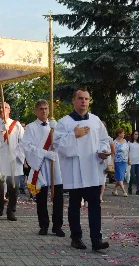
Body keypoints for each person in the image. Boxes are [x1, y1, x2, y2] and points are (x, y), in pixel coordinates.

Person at [54, 88, 110, 251]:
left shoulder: (95, 120)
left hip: (92, 170)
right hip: (75, 171)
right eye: (80, 98)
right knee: (74, 206)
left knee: (94, 205)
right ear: (74, 101)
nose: (84, 101)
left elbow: (104, 140)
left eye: (86, 99)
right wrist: (74, 135)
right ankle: (76, 237)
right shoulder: (65, 122)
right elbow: (57, 145)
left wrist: (103, 152)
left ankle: (96, 240)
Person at [22, 99, 65, 237]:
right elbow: (27, 146)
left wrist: (57, 132)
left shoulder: (55, 125)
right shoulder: (30, 127)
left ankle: (57, 226)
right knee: (41, 198)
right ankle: (44, 225)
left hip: (55, 165)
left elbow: (62, 143)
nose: (44, 111)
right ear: (36, 111)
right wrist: (45, 153)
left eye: (46, 108)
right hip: (40, 165)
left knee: (58, 197)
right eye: (41, 108)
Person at [0, 102, 25, 221]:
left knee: (14, 188)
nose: (1, 110)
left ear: (9, 110)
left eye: (4, 107)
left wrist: (16, 154)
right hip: (0, 160)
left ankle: (11, 211)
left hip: (13, 161)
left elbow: (24, 142)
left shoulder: (16, 125)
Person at [100, 121, 115, 202]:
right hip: (96, 160)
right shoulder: (94, 138)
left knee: (103, 179)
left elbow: (113, 151)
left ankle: (100, 196)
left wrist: (112, 162)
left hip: (106, 160)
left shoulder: (109, 138)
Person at [112, 128, 129, 197]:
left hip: (124, 161)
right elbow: (113, 153)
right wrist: (112, 162)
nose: (124, 134)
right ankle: (124, 191)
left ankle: (115, 190)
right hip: (118, 161)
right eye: (122, 133)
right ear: (119, 134)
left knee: (120, 177)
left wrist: (129, 159)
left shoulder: (125, 141)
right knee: (120, 177)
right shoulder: (114, 142)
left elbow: (127, 151)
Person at [128, 130, 139, 195]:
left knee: (138, 176)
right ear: (133, 135)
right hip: (132, 162)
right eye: (135, 134)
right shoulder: (129, 143)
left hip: (138, 162)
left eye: (137, 134)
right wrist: (128, 160)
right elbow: (127, 152)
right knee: (132, 176)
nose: (136, 135)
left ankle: (138, 190)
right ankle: (130, 188)